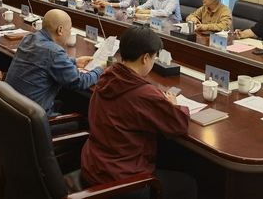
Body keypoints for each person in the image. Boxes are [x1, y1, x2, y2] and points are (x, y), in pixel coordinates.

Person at [81, 26, 197, 199]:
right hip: (121, 179)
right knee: (188, 184)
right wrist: (174, 105)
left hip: (93, 167)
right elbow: (179, 124)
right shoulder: (143, 93)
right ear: (145, 58)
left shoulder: (108, 75)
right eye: (154, 58)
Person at [6, 9, 103, 116]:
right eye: (69, 29)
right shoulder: (54, 52)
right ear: (60, 30)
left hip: (13, 110)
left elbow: (44, 61)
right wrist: (100, 69)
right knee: (82, 114)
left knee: (66, 103)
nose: (70, 32)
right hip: (34, 118)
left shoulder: (28, 38)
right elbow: (80, 81)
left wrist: (75, 61)